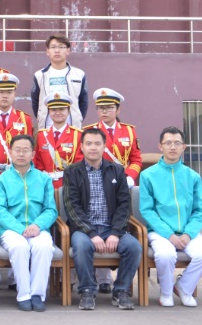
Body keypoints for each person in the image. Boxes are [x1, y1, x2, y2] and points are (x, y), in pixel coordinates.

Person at [63, 127, 141, 310]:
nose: (93, 147)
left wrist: (115, 232)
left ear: (104, 146)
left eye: (97, 144)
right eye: (88, 143)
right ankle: (87, 291)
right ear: (81, 147)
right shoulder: (72, 172)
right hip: (84, 229)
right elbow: (72, 207)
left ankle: (121, 290)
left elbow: (124, 205)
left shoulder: (117, 170)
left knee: (134, 247)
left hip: (111, 228)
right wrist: (91, 233)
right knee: (81, 246)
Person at [140, 126, 202, 308]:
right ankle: (166, 293)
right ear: (160, 146)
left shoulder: (193, 176)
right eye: (168, 143)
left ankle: (183, 288)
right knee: (165, 255)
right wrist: (169, 234)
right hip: (160, 231)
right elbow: (147, 210)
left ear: (184, 147)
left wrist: (188, 234)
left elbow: (200, 211)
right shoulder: (148, 175)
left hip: (188, 231)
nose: (172, 147)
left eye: (177, 143)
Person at [0, 134, 57, 312]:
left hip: (38, 228)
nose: (21, 154)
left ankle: (37, 295)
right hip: (11, 230)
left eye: (25, 150)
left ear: (33, 154)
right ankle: (24, 295)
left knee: (44, 247)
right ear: (10, 152)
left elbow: (51, 210)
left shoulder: (43, 179)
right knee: (20, 246)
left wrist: (37, 225)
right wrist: (20, 229)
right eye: (17, 150)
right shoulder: (2, 180)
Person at [84, 88, 142, 186]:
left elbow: (136, 159)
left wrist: (129, 176)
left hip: (123, 179)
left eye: (109, 108)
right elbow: (83, 160)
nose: (104, 111)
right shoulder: (89, 131)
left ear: (118, 110)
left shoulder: (129, 131)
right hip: (98, 181)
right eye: (101, 108)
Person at [31, 35, 88, 129]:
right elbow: (35, 102)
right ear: (47, 51)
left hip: (72, 126)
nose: (57, 50)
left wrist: (77, 118)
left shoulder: (79, 74)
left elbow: (83, 102)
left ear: (68, 50)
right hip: (47, 126)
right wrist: (42, 117)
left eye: (61, 47)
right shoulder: (39, 75)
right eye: (53, 47)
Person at [33, 93, 83, 188]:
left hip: (68, 184)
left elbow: (79, 163)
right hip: (45, 184)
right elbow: (38, 163)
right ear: (49, 112)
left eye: (62, 109)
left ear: (68, 111)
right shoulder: (41, 135)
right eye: (53, 110)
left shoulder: (77, 135)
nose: (58, 113)